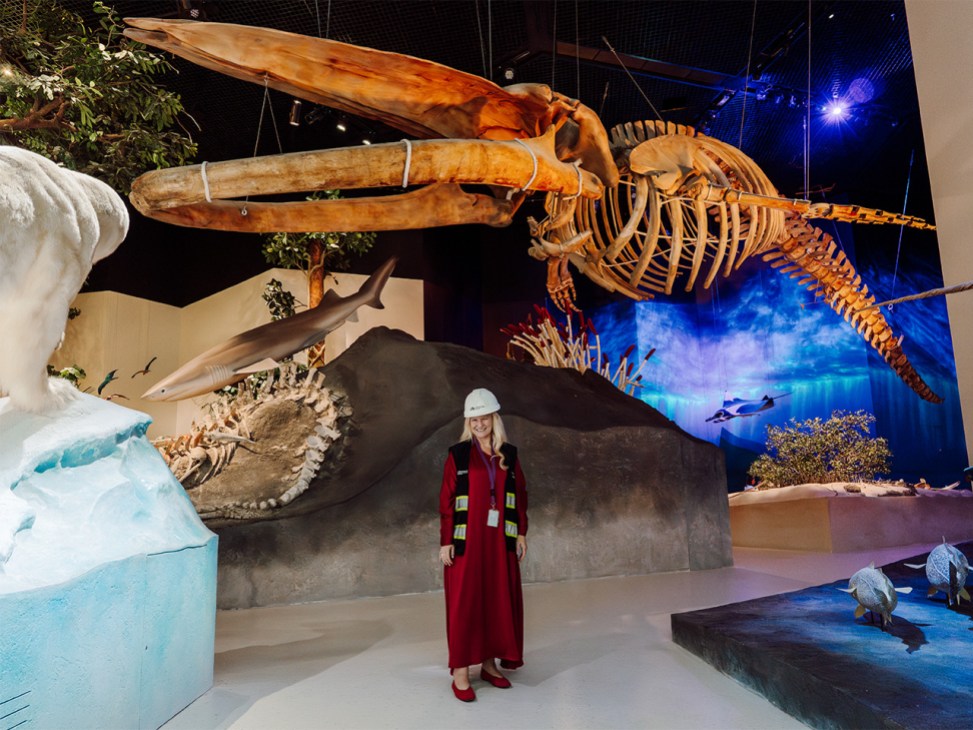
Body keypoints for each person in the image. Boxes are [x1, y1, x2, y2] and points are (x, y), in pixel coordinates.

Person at [438, 388, 528, 702]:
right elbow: (447, 500)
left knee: (495, 599)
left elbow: (520, 497)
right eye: (474, 418)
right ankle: (461, 671)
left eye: (484, 417)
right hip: (466, 543)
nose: (479, 423)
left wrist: (520, 533)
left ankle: (489, 664)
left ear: (494, 418)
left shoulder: (510, 455)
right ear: (468, 421)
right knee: (466, 603)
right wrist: (445, 540)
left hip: (498, 542)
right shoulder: (459, 454)